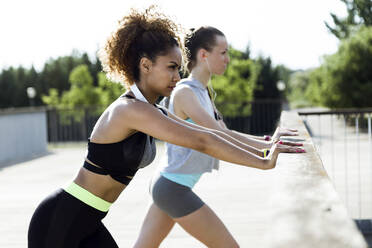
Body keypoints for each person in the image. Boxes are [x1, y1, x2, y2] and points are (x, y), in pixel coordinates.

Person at [133, 26, 305, 248]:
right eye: (222, 53)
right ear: (203, 55)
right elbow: (217, 136)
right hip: (172, 187)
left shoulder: (202, 91)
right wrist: (264, 157)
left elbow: (226, 133)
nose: (228, 59)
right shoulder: (185, 92)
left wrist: (270, 142)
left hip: (168, 186)